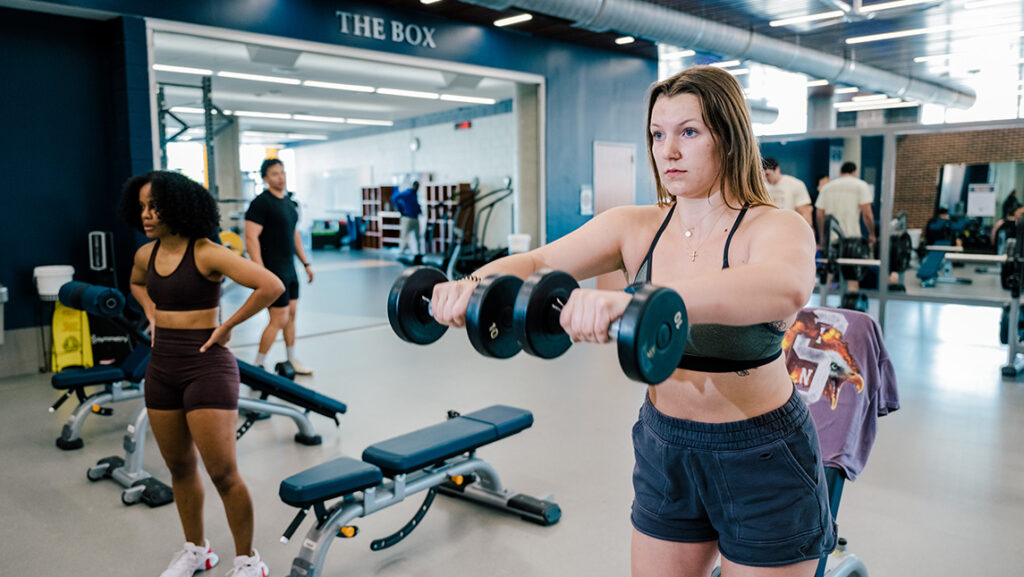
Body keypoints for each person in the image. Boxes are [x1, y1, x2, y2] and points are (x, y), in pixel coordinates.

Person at [428, 66, 834, 576]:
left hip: (762, 453)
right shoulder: (635, 226)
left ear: (728, 137)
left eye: (689, 132)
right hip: (665, 445)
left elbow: (783, 287)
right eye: (658, 135)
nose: (669, 151)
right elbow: (535, 265)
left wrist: (639, 301)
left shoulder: (776, 226)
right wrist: (467, 286)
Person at [120, 171, 283, 577]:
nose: (147, 214)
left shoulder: (207, 252)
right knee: (179, 469)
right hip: (162, 368)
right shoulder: (147, 255)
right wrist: (151, 312)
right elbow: (137, 283)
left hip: (206, 366)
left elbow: (271, 285)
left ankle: (249, 561)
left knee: (223, 473)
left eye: (154, 205)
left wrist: (227, 327)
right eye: (141, 206)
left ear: (177, 206)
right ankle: (197, 551)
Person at [245, 158, 314, 374]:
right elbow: (251, 237)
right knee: (279, 318)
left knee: (291, 315)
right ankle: (257, 365)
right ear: (265, 178)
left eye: (282, 173)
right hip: (272, 270)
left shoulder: (290, 204)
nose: (280, 177)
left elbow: (294, 235)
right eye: (275, 174)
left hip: (290, 269)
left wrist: (305, 263)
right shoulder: (260, 203)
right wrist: (259, 271)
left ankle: (292, 359)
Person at [816, 161, 875, 294]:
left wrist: (822, 238)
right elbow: (867, 214)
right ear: (854, 172)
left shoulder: (827, 187)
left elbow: (819, 214)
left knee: (829, 273)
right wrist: (872, 234)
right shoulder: (860, 185)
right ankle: (851, 311)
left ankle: (822, 307)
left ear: (840, 172)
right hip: (852, 240)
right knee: (852, 276)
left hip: (832, 239)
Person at [762, 157, 813, 229]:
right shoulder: (762, 187)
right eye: (763, 176)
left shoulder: (795, 184)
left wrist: (807, 231)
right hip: (769, 229)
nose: (766, 179)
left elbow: (805, 212)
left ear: (777, 169)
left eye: (768, 175)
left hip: (790, 228)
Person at [392, 180, 423, 254]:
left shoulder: (415, 194)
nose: (417, 188)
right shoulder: (408, 193)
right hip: (407, 217)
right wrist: (399, 209)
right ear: (413, 186)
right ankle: (402, 251)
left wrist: (419, 209)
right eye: (416, 186)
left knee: (417, 237)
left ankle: (418, 252)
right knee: (404, 236)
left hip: (415, 218)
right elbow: (394, 197)